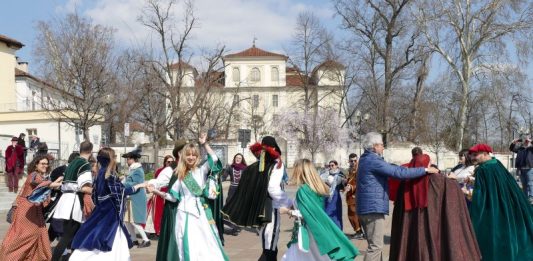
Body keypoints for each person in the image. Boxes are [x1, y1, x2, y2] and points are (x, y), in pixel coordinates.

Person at [357, 132, 438, 261]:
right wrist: (425, 170)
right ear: (374, 146)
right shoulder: (373, 160)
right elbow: (398, 173)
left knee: (375, 245)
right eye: (382, 145)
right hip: (372, 209)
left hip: (367, 208)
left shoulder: (365, 159)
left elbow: (392, 168)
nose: (384, 147)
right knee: (375, 247)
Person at [389, 149, 481, 261]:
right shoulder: (438, 180)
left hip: (411, 224)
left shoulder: (405, 183)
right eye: (429, 162)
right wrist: (453, 180)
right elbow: (453, 191)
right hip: (433, 221)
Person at [148, 133, 227, 260]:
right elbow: (173, 197)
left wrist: (204, 144)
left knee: (206, 243)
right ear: (183, 156)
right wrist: (156, 192)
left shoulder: (202, 170)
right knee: (185, 244)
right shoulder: (179, 173)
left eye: (193, 155)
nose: (191, 157)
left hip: (201, 213)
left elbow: (215, 159)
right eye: (188, 154)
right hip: (184, 214)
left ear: (197, 157)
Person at [222, 136, 292, 261]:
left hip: (258, 209)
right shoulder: (276, 165)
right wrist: (289, 203)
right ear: (275, 148)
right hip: (271, 209)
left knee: (270, 246)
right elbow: (273, 188)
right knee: (269, 247)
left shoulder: (255, 166)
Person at [69, 148, 146, 260]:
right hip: (110, 214)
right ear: (111, 158)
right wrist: (139, 186)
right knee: (109, 241)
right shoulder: (108, 174)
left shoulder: (100, 173)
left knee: (94, 237)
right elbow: (122, 191)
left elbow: (96, 195)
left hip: (101, 212)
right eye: (114, 156)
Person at [281, 159, 359, 261]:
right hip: (315, 230)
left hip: (308, 231)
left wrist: (287, 211)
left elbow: (305, 214)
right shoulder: (316, 187)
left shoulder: (303, 190)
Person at [468, 143, 533, 261]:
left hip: (494, 207)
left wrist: (472, 206)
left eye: (475, 155)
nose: (472, 158)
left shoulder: (483, 170)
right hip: (508, 203)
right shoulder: (496, 163)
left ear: (485, 153)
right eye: (471, 155)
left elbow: (481, 195)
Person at [0, 155, 63, 260]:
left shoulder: (39, 176)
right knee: (23, 236)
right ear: (36, 165)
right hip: (26, 211)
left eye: (47, 164)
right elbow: (41, 184)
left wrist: (57, 182)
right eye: (43, 164)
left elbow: (45, 185)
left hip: (34, 211)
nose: (45, 166)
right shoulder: (34, 175)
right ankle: (9, 257)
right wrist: (56, 182)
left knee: (39, 233)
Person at [52, 141, 94, 261]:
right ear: (90, 151)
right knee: (67, 237)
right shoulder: (84, 164)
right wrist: (96, 190)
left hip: (65, 201)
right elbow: (84, 187)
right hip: (73, 203)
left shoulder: (72, 162)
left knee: (74, 236)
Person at [147, 140, 188, 261]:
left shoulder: (192, 169)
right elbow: (157, 182)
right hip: (174, 209)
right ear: (180, 153)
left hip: (190, 211)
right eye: (187, 152)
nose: (190, 155)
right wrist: (148, 184)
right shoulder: (170, 170)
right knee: (175, 240)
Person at [46, 152, 80, 243]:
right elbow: (51, 185)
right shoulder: (59, 170)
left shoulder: (76, 170)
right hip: (59, 201)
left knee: (64, 225)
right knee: (57, 225)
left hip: (71, 202)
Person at [122, 148, 150, 248]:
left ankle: (146, 240)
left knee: (134, 220)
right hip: (131, 198)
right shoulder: (133, 170)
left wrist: (124, 184)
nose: (127, 160)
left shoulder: (138, 170)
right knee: (127, 220)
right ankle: (134, 240)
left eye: (128, 159)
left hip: (137, 198)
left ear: (133, 159)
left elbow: (137, 183)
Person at [146, 155, 174, 238]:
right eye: (168, 162)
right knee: (154, 213)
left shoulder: (173, 170)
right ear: (165, 162)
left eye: (172, 162)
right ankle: (153, 231)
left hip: (167, 194)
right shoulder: (160, 171)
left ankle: (161, 231)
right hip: (158, 193)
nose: (170, 163)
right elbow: (156, 182)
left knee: (162, 214)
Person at [222, 153, 247, 236]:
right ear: (234, 158)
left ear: (242, 159)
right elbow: (224, 177)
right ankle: (232, 225)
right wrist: (218, 178)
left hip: (241, 190)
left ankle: (237, 227)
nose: (238, 159)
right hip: (232, 189)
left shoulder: (245, 168)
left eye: (240, 158)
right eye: (237, 157)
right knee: (229, 206)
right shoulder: (230, 167)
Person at [320, 160, 346, 230]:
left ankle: (338, 230)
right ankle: (329, 230)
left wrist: (342, 182)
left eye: (332, 165)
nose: (331, 167)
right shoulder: (325, 174)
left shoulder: (340, 174)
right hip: (326, 196)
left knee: (334, 214)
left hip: (335, 197)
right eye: (330, 165)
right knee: (326, 213)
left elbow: (343, 185)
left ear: (336, 165)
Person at [509, 136, 533, 204]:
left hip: (529, 168)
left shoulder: (531, 148)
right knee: (524, 184)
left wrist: (530, 141)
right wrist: (514, 142)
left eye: (527, 141)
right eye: (525, 141)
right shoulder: (520, 149)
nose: (526, 142)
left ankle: (531, 197)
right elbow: (511, 148)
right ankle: (525, 198)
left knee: (530, 183)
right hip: (520, 169)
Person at [345, 153, 363, 239]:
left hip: (356, 195)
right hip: (350, 195)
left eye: (355, 160)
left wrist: (351, 187)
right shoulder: (350, 170)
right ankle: (358, 231)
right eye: (351, 161)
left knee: (353, 214)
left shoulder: (359, 170)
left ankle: (359, 232)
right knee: (352, 214)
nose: (353, 162)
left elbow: (360, 183)